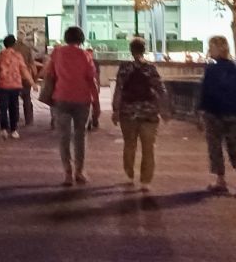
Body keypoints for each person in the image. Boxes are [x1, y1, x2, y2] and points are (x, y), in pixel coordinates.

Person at [42, 26, 99, 186]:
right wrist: (96, 103)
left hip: (61, 99)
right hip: (82, 100)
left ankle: (67, 173)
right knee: (80, 136)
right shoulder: (86, 55)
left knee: (64, 137)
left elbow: (49, 73)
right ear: (81, 39)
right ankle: (79, 172)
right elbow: (91, 80)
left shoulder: (57, 53)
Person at [112, 37, 167, 193]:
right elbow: (161, 90)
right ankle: (145, 181)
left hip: (128, 112)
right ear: (144, 50)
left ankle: (129, 175)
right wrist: (165, 110)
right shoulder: (150, 68)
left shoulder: (124, 68)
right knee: (148, 148)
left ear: (131, 50)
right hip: (149, 113)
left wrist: (116, 110)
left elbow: (119, 90)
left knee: (129, 145)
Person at [197, 35, 236, 195]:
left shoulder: (212, 67)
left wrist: (201, 110)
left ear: (217, 49)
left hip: (215, 113)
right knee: (233, 145)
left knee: (215, 147)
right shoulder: (234, 66)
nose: (209, 50)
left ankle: (221, 180)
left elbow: (206, 92)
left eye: (211, 47)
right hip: (235, 111)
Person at [0, 34, 34, 138]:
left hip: (2, 85)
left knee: (3, 108)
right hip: (15, 85)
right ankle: (14, 130)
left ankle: (3, 129)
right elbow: (24, 70)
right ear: (14, 44)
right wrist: (32, 83)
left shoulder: (0, 54)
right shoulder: (18, 55)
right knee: (14, 107)